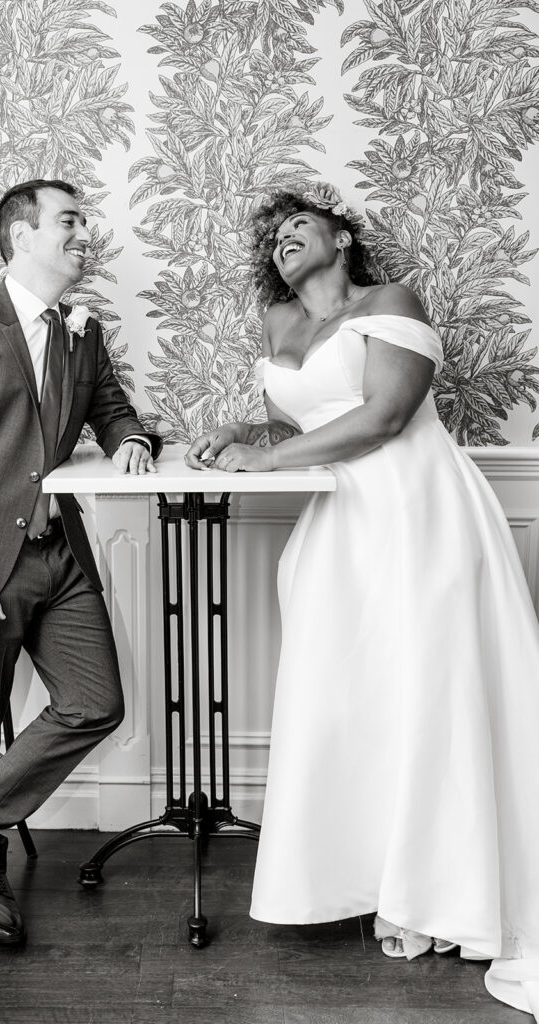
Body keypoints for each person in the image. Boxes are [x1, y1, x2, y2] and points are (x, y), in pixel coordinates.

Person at [185, 182, 539, 1020]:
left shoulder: (391, 301)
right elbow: (298, 425)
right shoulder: (277, 329)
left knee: (432, 691)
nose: (281, 238)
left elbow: (382, 416)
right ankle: (387, 877)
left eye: (297, 223)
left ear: (341, 236)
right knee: (358, 702)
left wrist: (265, 461)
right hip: (338, 528)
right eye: (269, 235)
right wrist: (246, 435)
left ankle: (453, 889)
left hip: (419, 514)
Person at [0, 179, 162, 946]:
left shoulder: (84, 332)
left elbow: (108, 406)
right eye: (70, 222)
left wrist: (132, 440)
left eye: (84, 222)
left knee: (97, 702)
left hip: (62, 555)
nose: (86, 235)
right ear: (21, 236)